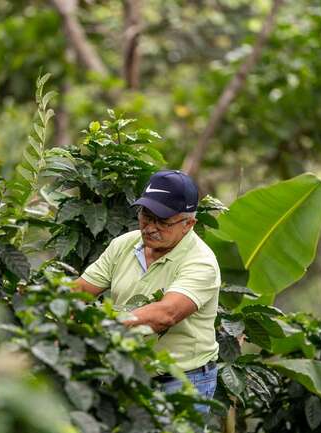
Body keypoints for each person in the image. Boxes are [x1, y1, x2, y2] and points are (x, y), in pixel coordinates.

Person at [73, 169, 220, 414]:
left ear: (188, 224)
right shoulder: (124, 245)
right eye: (146, 216)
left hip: (181, 381)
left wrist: (103, 325)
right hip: (127, 373)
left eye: (162, 221)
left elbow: (166, 314)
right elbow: (80, 291)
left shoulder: (201, 262)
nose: (150, 227)